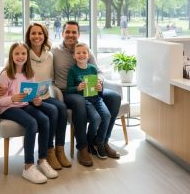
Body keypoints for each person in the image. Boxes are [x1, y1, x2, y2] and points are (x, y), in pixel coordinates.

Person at [52, 21, 121, 167]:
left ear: (78, 34)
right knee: (79, 101)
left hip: (91, 90)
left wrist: (100, 82)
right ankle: (82, 147)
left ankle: (102, 141)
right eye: (68, 32)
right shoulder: (55, 51)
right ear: (63, 33)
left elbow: (99, 72)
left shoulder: (85, 50)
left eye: (74, 32)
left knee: (114, 97)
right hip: (68, 92)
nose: (71, 35)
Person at [0, 42, 58, 184]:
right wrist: (12, 98)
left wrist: (36, 101)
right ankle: (28, 166)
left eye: (23, 53)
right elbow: (1, 102)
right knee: (32, 123)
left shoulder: (30, 74)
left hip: (24, 105)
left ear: (27, 56)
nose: (20, 56)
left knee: (44, 119)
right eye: (17, 53)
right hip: (8, 108)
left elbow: (31, 96)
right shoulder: (6, 74)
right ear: (11, 56)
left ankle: (42, 160)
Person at [25, 23, 71, 170]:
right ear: (28, 36)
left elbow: (50, 77)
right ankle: (48, 151)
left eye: (40, 33)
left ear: (44, 36)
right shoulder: (23, 53)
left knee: (62, 107)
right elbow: (7, 72)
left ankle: (60, 149)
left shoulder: (49, 55)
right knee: (53, 111)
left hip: (44, 95)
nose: (37, 36)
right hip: (28, 98)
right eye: (33, 33)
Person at [67, 43, 111, 159]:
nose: (81, 55)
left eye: (84, 52)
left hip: (96, 98)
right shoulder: (73, 71)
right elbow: (68, 89)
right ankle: (89, 142)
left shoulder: (92, 68)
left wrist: (100, 87)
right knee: (96, 118)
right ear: (74, 56)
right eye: (78, 53)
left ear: (88, 55)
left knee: (106, 116)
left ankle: (99, 141)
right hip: (85, 101)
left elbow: (98, 86)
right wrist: (78, 88)